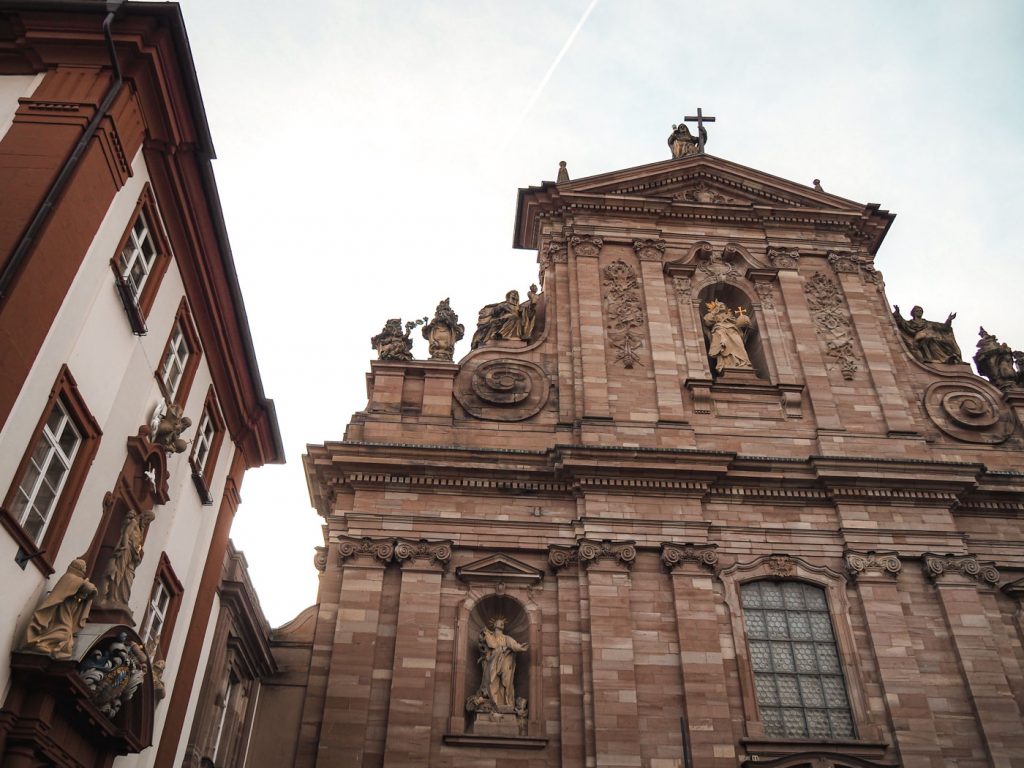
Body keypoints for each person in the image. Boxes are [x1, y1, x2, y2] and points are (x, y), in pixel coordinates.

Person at [22, 558, 97, 658]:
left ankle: (45, 644)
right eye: (84, 567)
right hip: (58, 616)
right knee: (65, 634)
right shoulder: (70, 578)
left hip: (64, 616)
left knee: (67, 640)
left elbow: (89, 592)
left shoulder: (75, 580)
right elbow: (89, 588)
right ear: (79, 567)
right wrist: (88, 587)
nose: (85, 569)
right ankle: (40, 643)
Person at [476, 617, 528, 709]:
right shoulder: (489, 635)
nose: (502, 623)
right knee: (492, 680)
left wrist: (520, 647)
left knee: (506, 681)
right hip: (492, 661)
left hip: (505, 660)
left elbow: (513, 645)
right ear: (495, 625)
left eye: (503, 623)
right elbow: (483, 646)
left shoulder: (506, 638)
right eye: (499, 622)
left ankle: (506, 702)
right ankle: (493, 702)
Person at [892, 305, 962, 364]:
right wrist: (898, 313)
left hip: (932, 339)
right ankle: (945, 359)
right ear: (913, 313)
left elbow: (943, 327)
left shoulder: (928, 323)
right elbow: (903, 324)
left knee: (936, 340)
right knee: (929, 340)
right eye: (917, 311)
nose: (919, 312)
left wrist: (949, 320)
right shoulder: (911, 323)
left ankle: (946, 358)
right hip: (919, 341)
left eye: (920, 311)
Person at [703, 300, 752, 374]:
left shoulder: (730, 315)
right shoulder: (712, 315)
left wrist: (743, 322)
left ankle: (743, 363)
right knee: (725, 348)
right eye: (719, 305)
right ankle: (727, 365)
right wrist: (714, 312)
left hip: (734, 331)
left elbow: (738, 324)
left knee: (739, 346)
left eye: (723, 304)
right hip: (721, 331)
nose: (722, 305)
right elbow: (707, 321)